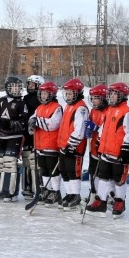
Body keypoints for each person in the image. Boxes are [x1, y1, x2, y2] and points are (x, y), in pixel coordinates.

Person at [86, 82, 129, 217]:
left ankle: (120, 201)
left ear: (123, 96)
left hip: (119, 152)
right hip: (106, 150)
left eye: (114, 94)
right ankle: (101, 201)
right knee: (103, 177)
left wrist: (126, 148)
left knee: (119, 178)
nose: (111, 97)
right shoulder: (109, 110)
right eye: (110, 94)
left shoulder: (127, 112)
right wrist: (100, 141)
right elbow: (104, 128)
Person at [0, 76, 29, 201]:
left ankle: (10, 192)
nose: (16, 89)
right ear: (8, 88)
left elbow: (24, 121)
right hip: (0, 137)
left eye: (18, 87)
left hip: (14, 137)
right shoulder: (1, 101)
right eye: (13, 87)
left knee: (9, 162)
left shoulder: (21, 103)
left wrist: (11, 124)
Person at [56, 78, 89, 210]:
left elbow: (79, 129)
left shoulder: (80, 107)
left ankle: (75, 195)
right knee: (64, 171)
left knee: (72, 171)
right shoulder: (68, 106)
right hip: (64, 146)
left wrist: (71, 145)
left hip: (74, 147)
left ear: (78, 93)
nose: (68, 96)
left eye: (71, 93)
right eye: (67, 93)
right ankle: (70, 194)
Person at [29, 81, 63, 205]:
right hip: (40, 144)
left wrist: (36, 121)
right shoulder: (39, 107)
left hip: (51, 144)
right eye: (42, 93)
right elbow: (32, 118)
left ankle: (56, 191)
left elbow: (53, 124)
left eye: (46, 93)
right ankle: (47, 190)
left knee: (52, 169)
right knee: (43, 169)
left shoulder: (57, 108)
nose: (43, 96)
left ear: (52, 94)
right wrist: (31, 124)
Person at [21, 75, 44, 200]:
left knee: (34, 163)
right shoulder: (24, 98)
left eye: (33, 85)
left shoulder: (40, 99)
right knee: (26, 162)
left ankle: (37, 187)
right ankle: (27, 187)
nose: (30, 87)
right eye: (29, 84)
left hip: (36, 135)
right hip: (25, 134)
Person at [84, 84, 108, 202]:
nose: (93, 100)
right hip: (93, 146)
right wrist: (88, 129)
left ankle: (102, 196)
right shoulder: (93, 110)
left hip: (103, 148)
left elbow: (108, 130)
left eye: (96, 98)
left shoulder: (108, 111)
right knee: (92, 171)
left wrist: (96, 128)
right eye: (92, 97)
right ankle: (93, 193)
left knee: (102, 173)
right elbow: (89, 123)